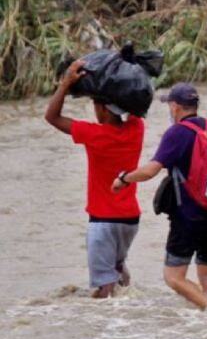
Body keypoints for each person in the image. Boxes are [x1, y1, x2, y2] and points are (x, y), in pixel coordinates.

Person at [113, 83, 207, 309]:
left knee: (173, 276)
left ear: (175, 107)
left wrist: (123, 179)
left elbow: (150, 171)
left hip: (189, 215)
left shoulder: (177, 132)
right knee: (206, 272)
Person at [44, 59, 144, 298]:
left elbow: (52, 117)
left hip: (103, 221)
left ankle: (104, 326)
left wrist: (66, 83)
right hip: (130, 220)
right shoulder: (136, 129)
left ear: (103, 109)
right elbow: (136, 107)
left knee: (104, 287)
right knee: (119, 271)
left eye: (95, 105)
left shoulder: (93, 134)